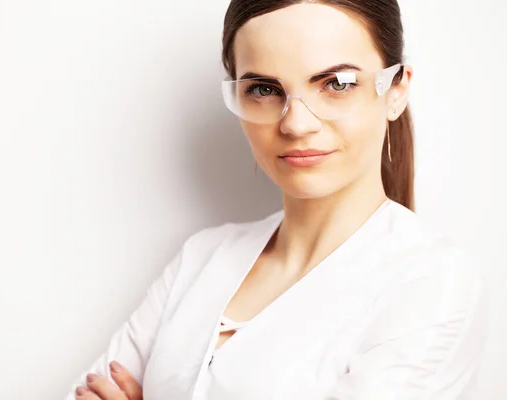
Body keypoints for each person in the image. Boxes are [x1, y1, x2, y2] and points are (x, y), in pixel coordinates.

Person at [65, 1, 487, 399]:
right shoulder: (202, 258)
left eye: (336, 84)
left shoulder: (431, 281)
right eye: (264, 89)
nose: (297, 123)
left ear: (396, 90)